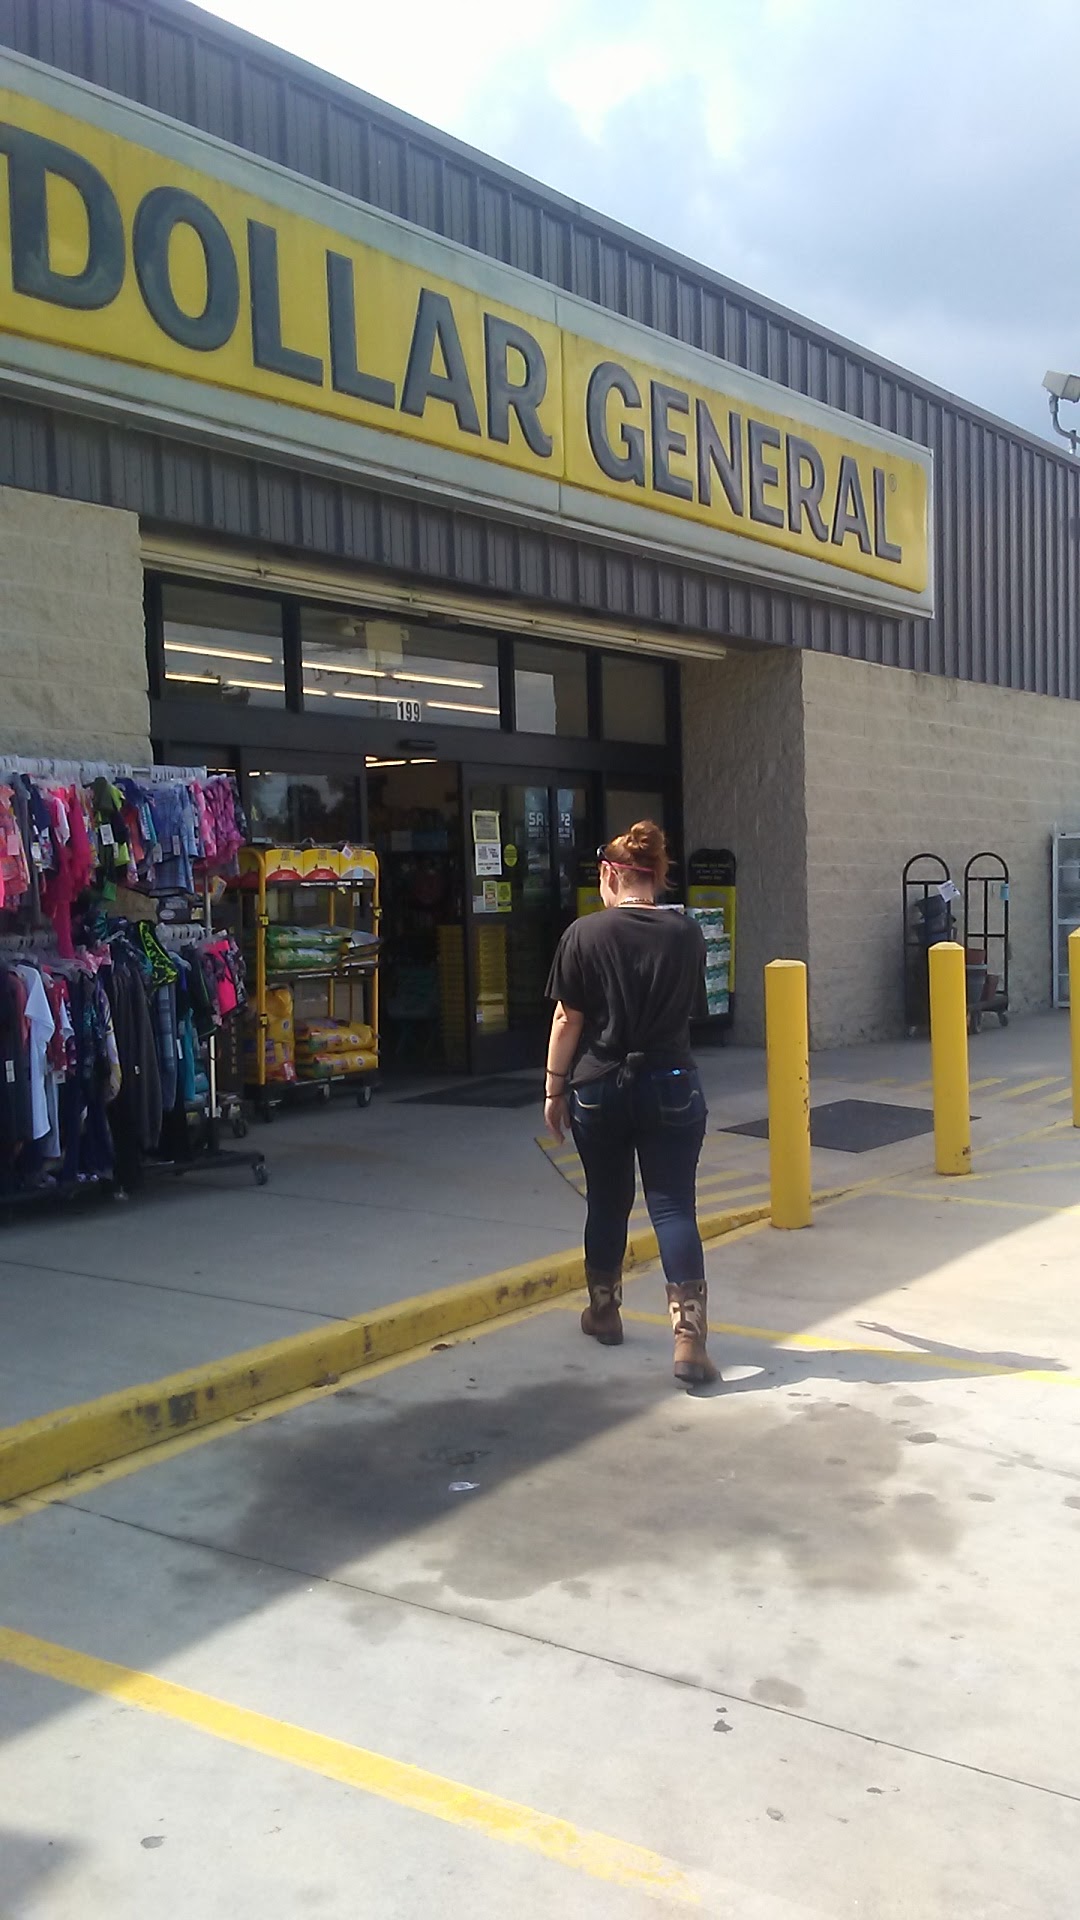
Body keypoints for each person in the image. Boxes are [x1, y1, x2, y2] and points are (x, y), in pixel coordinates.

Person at [544, 821, 717, 1385]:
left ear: (610, 874)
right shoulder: (686, 934)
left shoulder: (584, 934)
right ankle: (688, 1339)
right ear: (656, 876)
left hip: (599, 1086)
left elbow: (568, 1019)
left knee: (607, 1202)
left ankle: (604, 1310)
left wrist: (554, 1087)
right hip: (671, 1082)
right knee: (674, 1208)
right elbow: (691, 1011)